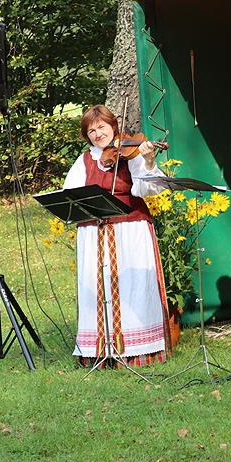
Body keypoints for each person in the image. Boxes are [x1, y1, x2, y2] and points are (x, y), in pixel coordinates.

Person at [63, 105, 172, 367]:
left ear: (113, 127)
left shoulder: (131, 152)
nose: (98, 134)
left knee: (132, 285)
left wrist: (149, 161)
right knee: (97, 286)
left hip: (130, 229)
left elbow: (147, 189)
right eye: (91, 131)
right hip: (94, 232)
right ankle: (100, 351)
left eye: (101, 127)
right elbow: (70, 193)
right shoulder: (85, 160)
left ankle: (138, 350)